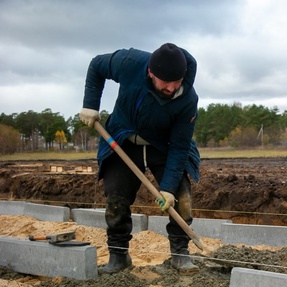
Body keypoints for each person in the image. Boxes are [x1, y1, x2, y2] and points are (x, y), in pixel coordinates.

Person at [79, 43, 200, 275]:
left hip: (163, 145)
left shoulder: (188, 99)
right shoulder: (130, 63)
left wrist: (167, 189)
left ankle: (180, 254)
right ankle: (118, 256)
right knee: (115, 198)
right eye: (166, 82)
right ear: (150, 73)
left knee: (181, 197)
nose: (173, 87)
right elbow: (96, 65)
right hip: (123, 139)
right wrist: (90, 105)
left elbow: (180, 146)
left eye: (177, 81)